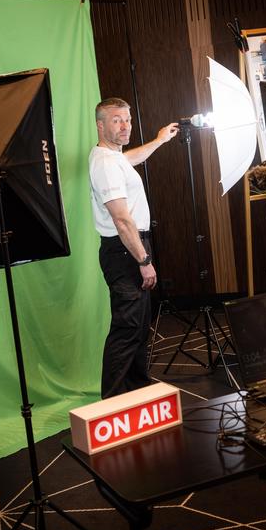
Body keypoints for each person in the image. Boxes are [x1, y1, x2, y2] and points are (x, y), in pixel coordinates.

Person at [89, 97, 179, 399]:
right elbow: (121, 219)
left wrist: (159, 140)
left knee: (139, 327)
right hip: (125, 249)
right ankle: (112, 402)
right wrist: (143, 259)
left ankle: (137, 393)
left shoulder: (114, 157)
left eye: (127, 119)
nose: (125, 125)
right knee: (127, 329)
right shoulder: (104, 163)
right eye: (117, 120)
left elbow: (133, 157)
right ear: (101, 125)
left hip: (130, 247)